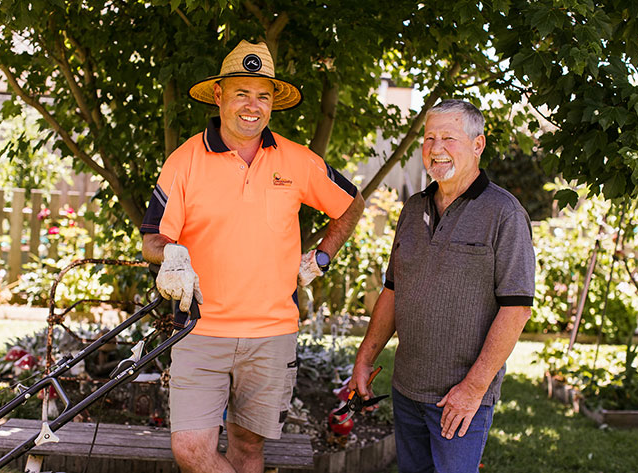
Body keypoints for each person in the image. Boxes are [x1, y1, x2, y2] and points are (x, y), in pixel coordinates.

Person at [139, 40, 364, 473]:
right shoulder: (185, 160)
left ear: (273, 104)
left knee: (248, 451)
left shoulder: (297, 160)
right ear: (220, 95)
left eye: (263, 96)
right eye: (242, 92)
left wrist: (321, 257)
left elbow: (351, 203)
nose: (252, 105)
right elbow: (152, 237)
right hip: (199, 331)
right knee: (191, 450)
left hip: (272, 334)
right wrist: (172, 256)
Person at [349, 100, 535, 473]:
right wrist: (366, 357)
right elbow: (392, 291)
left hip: (460, 399)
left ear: (478, 144)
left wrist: (473, 388)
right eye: (429, 138)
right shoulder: (412, 209)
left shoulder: (505, 213)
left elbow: (517, 308)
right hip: (406, 390)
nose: (436, 148)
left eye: (448, 137)